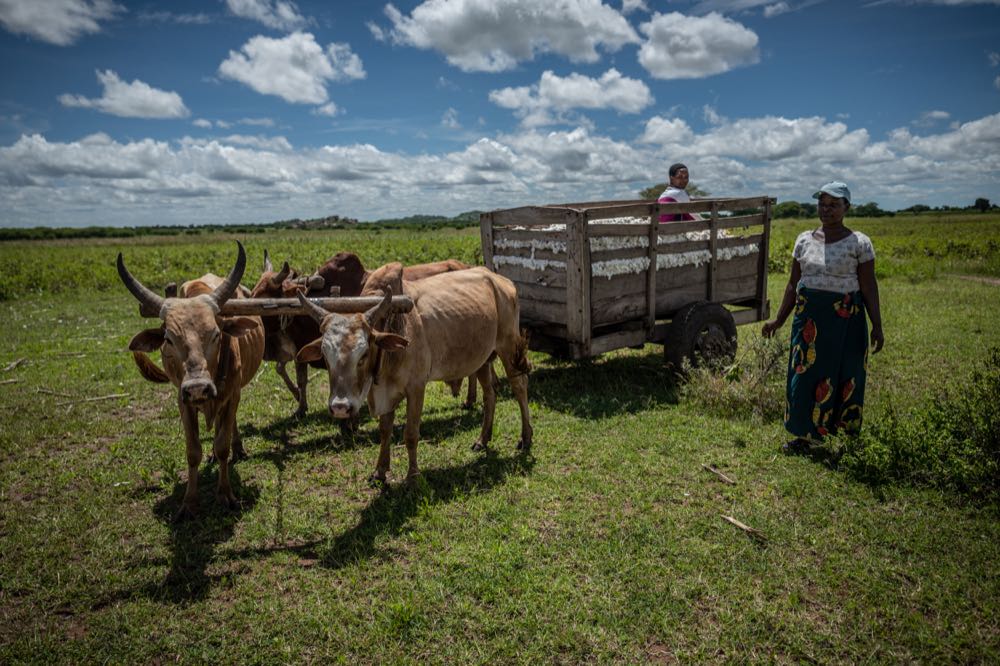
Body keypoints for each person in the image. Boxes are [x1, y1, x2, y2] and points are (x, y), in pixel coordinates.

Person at [761, 181, 884, 453]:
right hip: (808, 321)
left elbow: (868, 286)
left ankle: (841, 440)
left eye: (834, 205)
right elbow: (794, 284)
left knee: (845, 375)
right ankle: (802, 438)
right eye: (822, 204)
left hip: (845, 322)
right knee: (804, 375)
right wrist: (778, 321)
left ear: (846, 208)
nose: (826, 210)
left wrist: (877, 325)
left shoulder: (859, 243)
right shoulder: (804, 240)